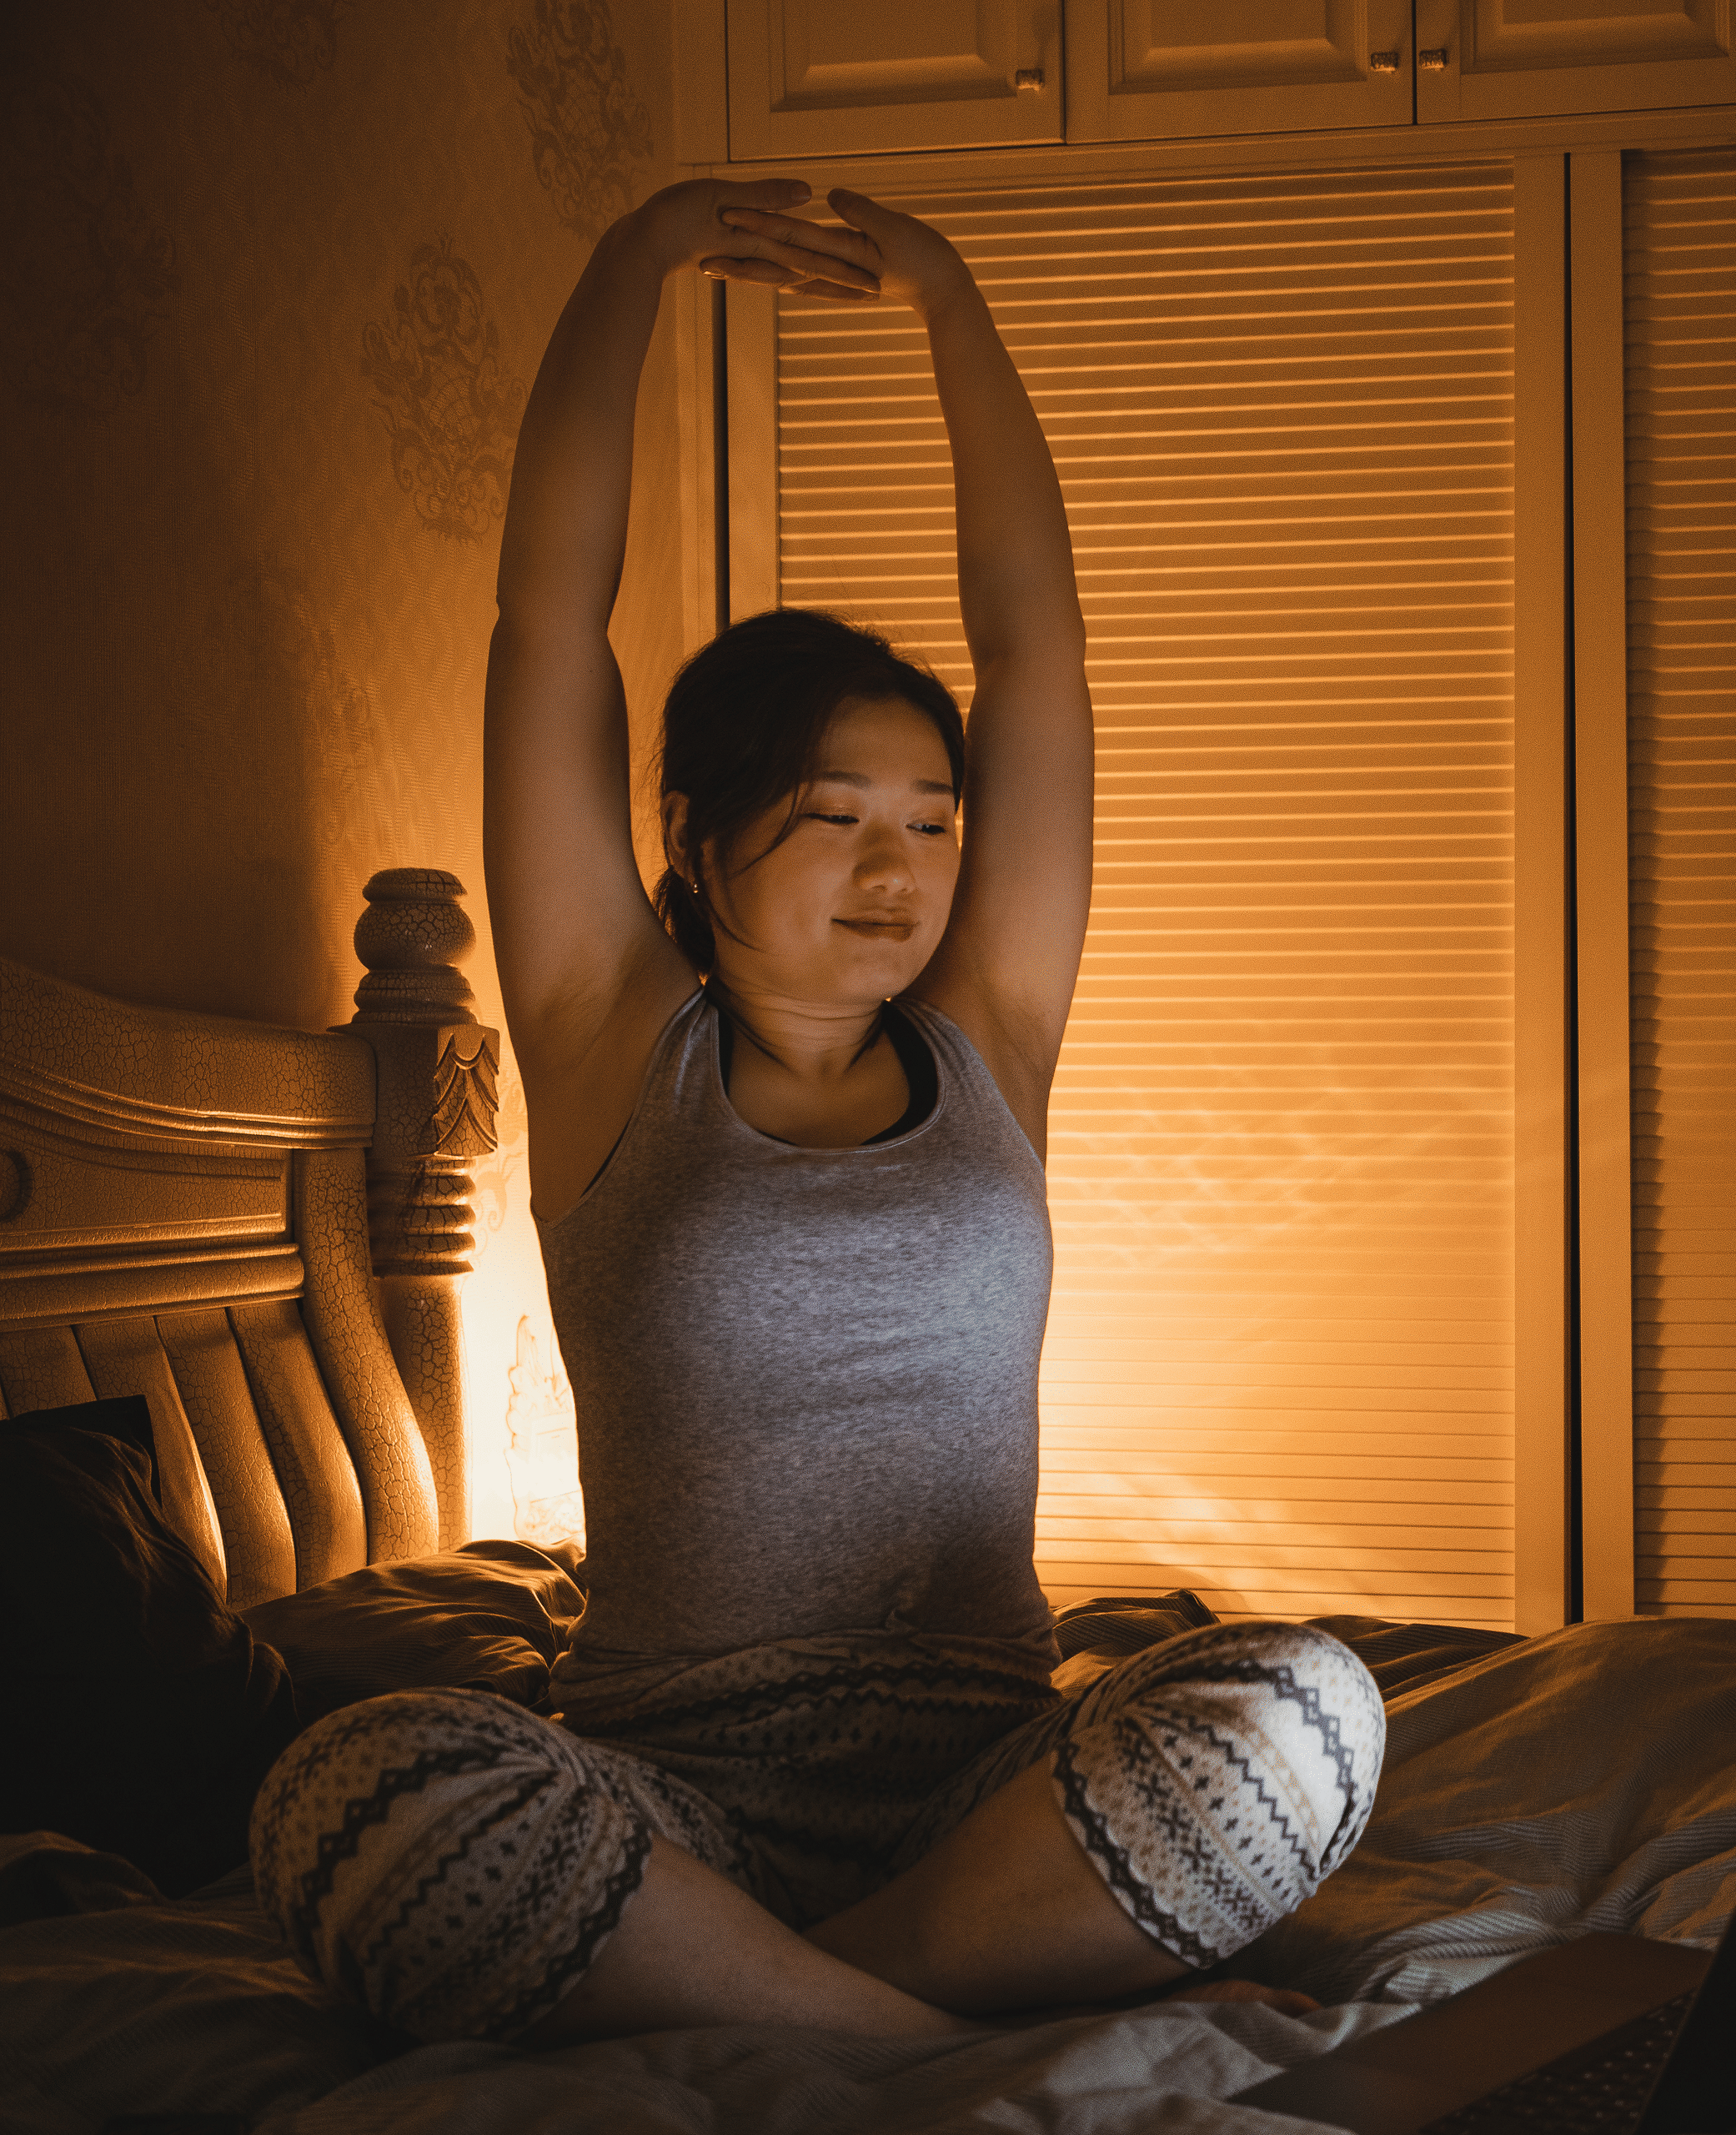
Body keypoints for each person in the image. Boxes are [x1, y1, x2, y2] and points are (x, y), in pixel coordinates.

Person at [247, 179, 1384, 2047]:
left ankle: (805, 2001)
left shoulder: (991, 1038)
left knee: (1312, 1701)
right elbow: (550, 615)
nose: (901, 866)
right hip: (667, 1797)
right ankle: (937, 2032)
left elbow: (1042, 659)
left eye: (933, 819)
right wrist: (623, 264)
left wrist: (945, 295)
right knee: (348, 1792)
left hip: (988, 1782)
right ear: (694, 843)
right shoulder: (612, 1035)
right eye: (835, 815)